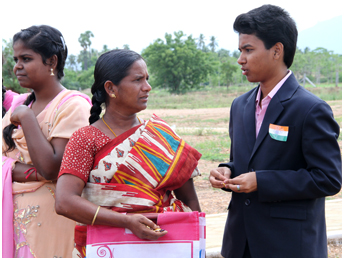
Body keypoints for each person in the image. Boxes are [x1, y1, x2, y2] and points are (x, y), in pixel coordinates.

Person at [209, 4, 342, 258]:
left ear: (277, 51)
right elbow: (246, 161)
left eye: (249, 50)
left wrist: (261, 181)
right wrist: (227, 170)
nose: (240, 59)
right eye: (240, 50)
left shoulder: (310, 109)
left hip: (288, 245)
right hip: (241, 243)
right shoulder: (240, 106)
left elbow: (328, 179)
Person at [55, 49, 202, 258]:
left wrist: (196, 245)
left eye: (147, 79)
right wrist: (126, 221)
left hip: (163, 246)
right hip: (106, 247)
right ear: (110, 88)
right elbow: (65, 202)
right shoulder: (85, 139)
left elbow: (190, 202)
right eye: (138, 80)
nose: (147, 87)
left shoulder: (161, 136)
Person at [2, 25, 92, 258]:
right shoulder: (19, 103)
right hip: (13, 220)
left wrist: (27, 118)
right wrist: (29, 172)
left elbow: (52, 168)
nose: (17, 66)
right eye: (16, 59)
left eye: (26, 58)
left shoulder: (73, 106)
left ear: (51, 61)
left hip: (52, 221)